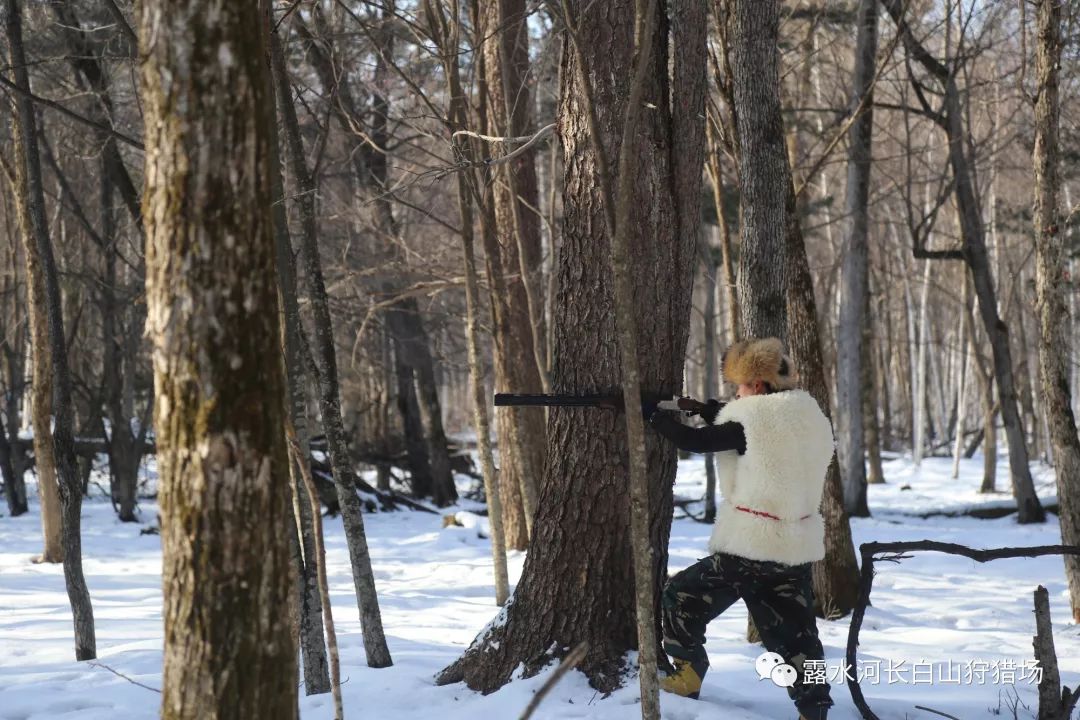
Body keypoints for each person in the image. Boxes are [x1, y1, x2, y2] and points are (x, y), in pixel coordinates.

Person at [642, 337, 835, 720]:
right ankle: (814, 708)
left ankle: (688, 674)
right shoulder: (809, 414)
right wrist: (719, 411)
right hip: (793, 545)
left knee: (680, 596)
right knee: (798, 635)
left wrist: (652, 415)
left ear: (758, 386)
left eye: (741, 386)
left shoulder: (750, 419)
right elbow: (760, 441)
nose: (736, 393)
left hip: (750, 546)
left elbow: (696, 441)